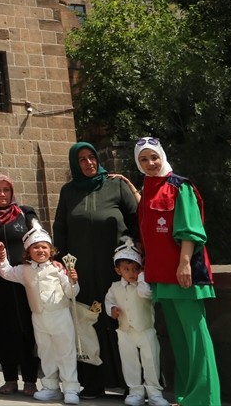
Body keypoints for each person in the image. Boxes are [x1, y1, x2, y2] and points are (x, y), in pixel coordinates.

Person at [134, 137, 220, 406]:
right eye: (144, 159)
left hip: (184, 274)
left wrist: (184, 264)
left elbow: (191, 230)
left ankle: (205, 399)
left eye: (154, 157)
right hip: (160, 276)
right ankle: (186, 397)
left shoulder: (179, 186)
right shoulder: (147, 188)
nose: (150, 163)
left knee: (196, 340)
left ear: (162, 156)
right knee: (181, 342)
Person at [53, 141, 140, 397]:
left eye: (92, 157)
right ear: (74, 164)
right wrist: (62, 261)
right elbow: (60, 228)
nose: (89, 163)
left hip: (117, 270)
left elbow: (136, 219)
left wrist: (136, 254)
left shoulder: (116, 185)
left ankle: (131, 383)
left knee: (122, 320)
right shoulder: (69, 192)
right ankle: (94, 381)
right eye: (82, 159)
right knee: (87, 323)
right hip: (83, 273)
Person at [0, 221, 79, 404]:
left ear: (51, 250)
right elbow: (6, 272)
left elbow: (72, 293)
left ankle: (71, 388)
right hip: (39, 317)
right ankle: (51, 386)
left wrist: (73, 281)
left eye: (44, 247)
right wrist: (2, 257)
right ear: (28, 251)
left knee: (65, 352)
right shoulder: (25, 270)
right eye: (36, 247)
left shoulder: (57, 268)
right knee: (46, 353)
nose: (40, 251)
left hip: (60, 316)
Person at [0, 172, 40, 396]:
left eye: (6, 190)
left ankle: (30, 379)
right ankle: (10, 379)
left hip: (24, 283)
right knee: (4, 329)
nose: (2, 195)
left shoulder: (24, 213)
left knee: (27, 328)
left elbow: (39, 237)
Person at [104, 238, 169, 406]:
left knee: (151, 362)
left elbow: (146, 295)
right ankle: (135, 391)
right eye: (126, 269)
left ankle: (154, 392)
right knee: (130, 362)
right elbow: (108, 301)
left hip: (145, 330)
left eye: (135, 269)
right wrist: (111, 309)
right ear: (118, 270)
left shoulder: (144, 285)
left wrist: (142, 277)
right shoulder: (114, 287)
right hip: (125, 331)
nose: (131, 273)